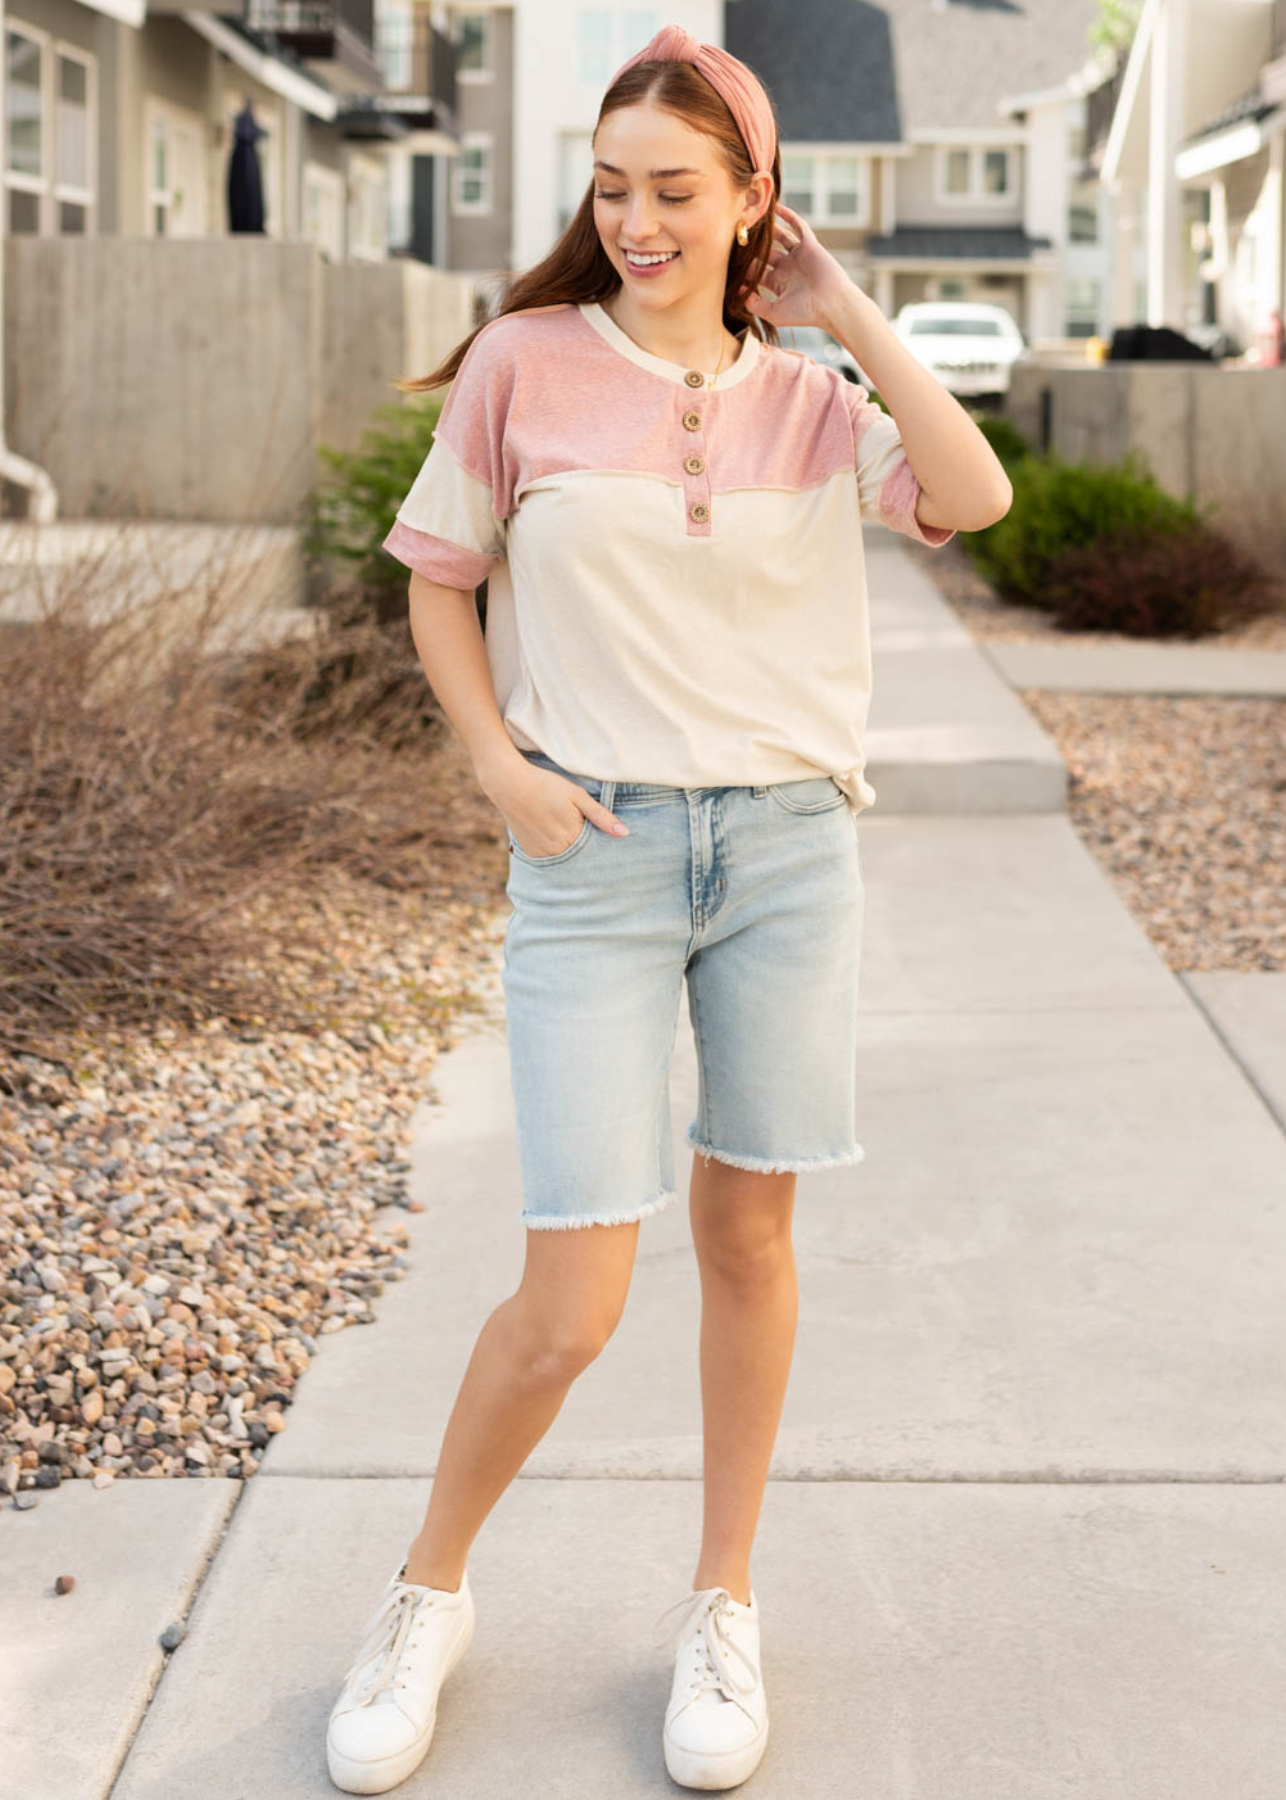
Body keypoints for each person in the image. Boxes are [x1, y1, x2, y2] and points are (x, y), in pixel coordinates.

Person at [326, 21, 1011, 1797]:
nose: (634, 220)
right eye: (612, 187)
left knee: (749, 1244)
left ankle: (723, 1602)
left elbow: (973, 492)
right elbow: (437, 589)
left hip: (786, 851)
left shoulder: (807, 393)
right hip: (595, 856)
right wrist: (497, 767)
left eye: (675, 190)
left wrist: (845, 313)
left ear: (750, 200)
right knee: (570, 1296)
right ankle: (424, 1594)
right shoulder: (524, 362)